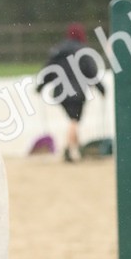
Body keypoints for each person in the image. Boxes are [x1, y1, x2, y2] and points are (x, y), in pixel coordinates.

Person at [38, 23, 105, 162]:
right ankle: (68, 148)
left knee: (72, 120)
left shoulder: (58, 51)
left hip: (61, 92)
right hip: (77, 91)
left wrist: (40, 86)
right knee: (74, 120)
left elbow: (48, 70)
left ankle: (78, 148)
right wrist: (101, 88)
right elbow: (91, 72)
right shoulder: (82, 51)